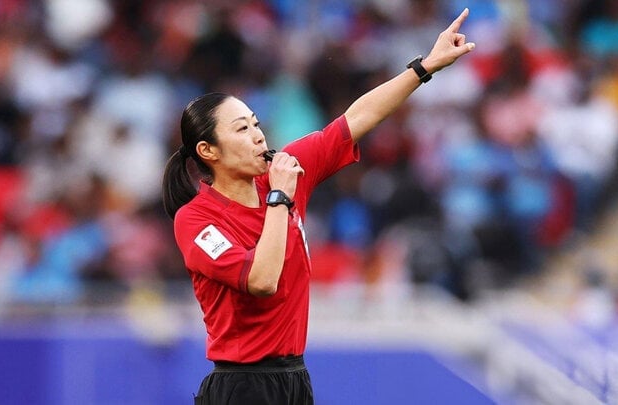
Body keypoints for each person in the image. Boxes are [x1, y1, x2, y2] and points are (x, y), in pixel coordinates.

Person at [161, 8, 475, 405]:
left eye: (256, 123)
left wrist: (424, 67)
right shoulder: (197, 220)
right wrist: (280, 197)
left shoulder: (282, 173)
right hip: (242, 386)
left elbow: (354, 119)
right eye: (242, 129)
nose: (258, 136)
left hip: (294, 378)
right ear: (208, 151)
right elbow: (261, 280)